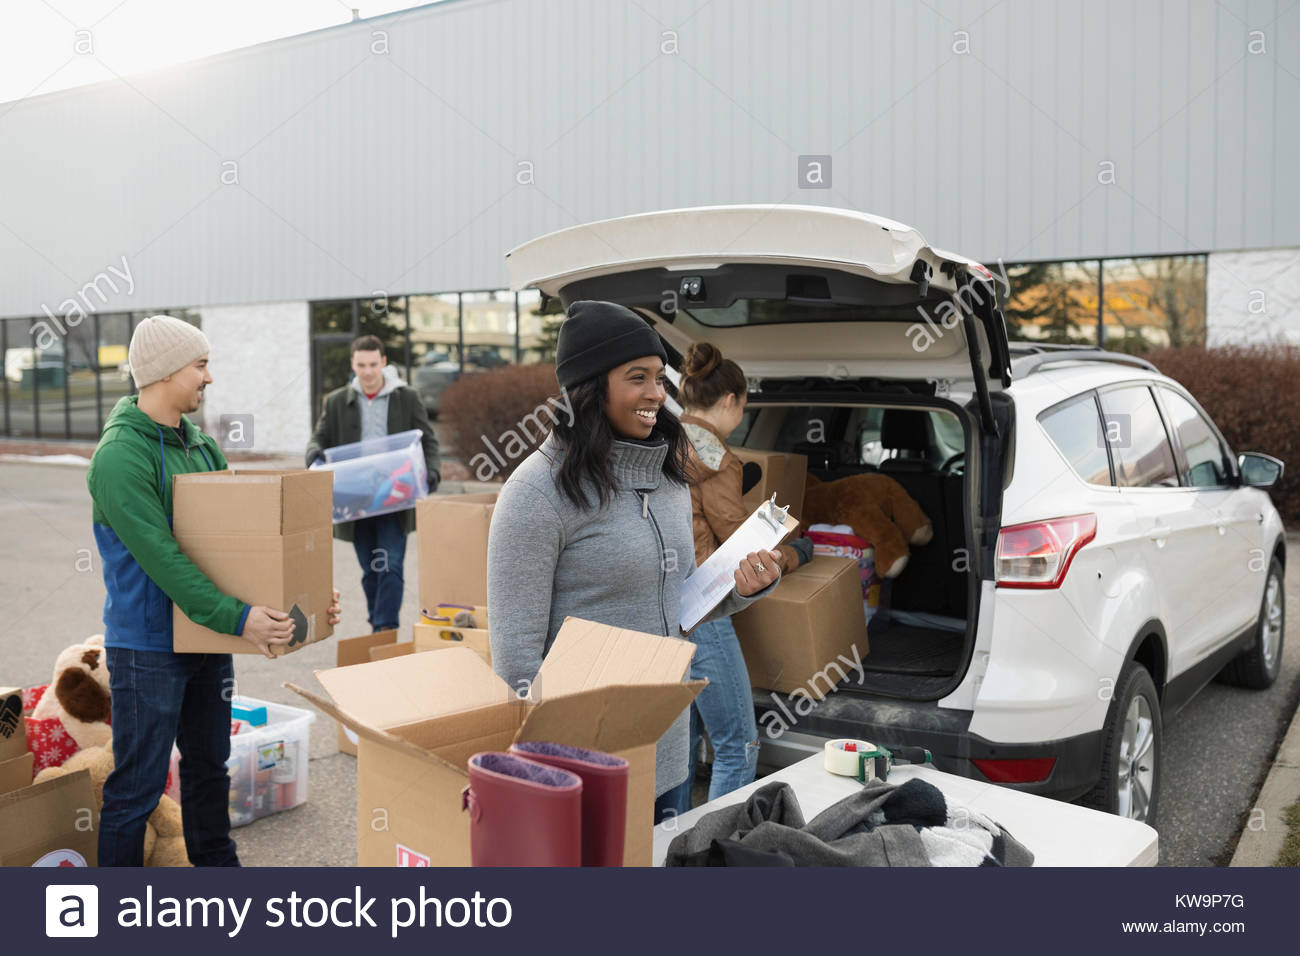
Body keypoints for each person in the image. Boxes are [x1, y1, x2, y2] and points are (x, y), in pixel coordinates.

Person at [486, 301, 783, 819]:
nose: (656, 394)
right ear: (588, 389)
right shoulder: (535, 494)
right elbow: (515, 662)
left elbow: (678, 608)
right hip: (581, 769)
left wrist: (742, 588)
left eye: (659, 378)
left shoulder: (668, 478)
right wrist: (555, 772)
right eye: (636, 378)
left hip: (667, 755)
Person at [87, 314, 342, 866]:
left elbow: (242, 549)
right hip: (149, 647)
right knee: (138, 788)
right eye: (200, 366)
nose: (209, 378)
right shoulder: (118, 457)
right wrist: (240, 619)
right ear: (163, 372)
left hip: (208, 639)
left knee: (208, 769)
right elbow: (166, 562)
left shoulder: (201, 447)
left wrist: (306, 600)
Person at [666, 342, 814, 813]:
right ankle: (716, 852)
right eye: (743, 407)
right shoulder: (718, 460)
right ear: (730, 400)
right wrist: (795, 554)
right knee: (738, 745)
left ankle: (671, 849)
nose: (740, 420)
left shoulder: (663, 443)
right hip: (706, 610)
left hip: (665, 609)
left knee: (678, 749)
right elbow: (740, 547)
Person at [306, 335, 441, 632]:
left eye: (372, 364)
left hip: (395, 494)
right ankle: (376, 622)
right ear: (353, 365)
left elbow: (428, 440)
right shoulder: (339, 400)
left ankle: (385, 628)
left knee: (391, 566)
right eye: (361, 365)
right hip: (355, 499)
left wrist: (431, 472)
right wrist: (313, 452)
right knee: (370, 569)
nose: (367, 372)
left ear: (383, 363)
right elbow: (320, 436)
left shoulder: (406, 397)